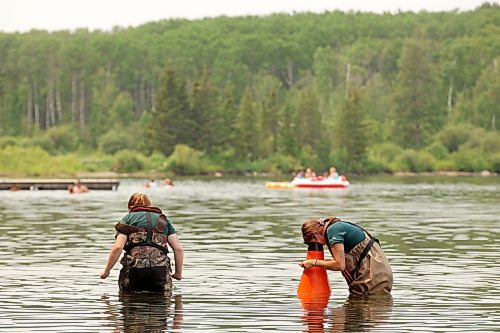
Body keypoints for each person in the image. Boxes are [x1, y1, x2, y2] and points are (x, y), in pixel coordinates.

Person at [100, 193, 183, 293]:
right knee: (163, 302)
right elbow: (178, 249)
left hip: (134, 272)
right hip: (160, 271)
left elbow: (118, 247)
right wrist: (178, 274)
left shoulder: (128, 218)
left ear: (130, 207)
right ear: (149, 205)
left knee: (129, 301)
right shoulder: (164, 220)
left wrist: (106, 271)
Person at [299, 216, 392, 296]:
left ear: (315, 234)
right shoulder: (335, 227)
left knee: (363, 307)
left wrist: (313, 262)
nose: (319, 246)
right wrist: (315, 263)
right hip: (377, 272)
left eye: (313, 243)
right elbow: (340, 260)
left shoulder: (332, 231)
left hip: (373, 275)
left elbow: (339, 265)